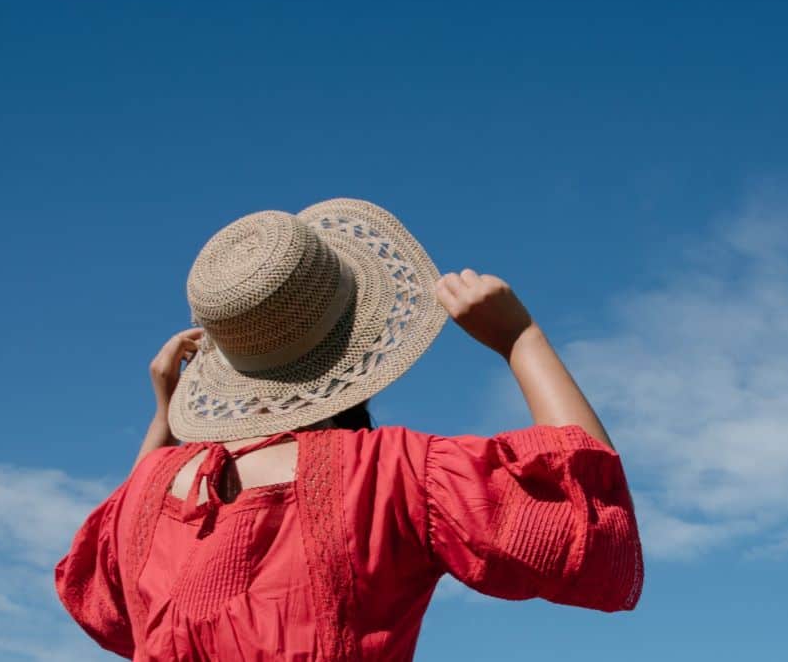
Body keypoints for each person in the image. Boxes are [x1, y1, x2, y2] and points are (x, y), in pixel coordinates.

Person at [54, 198, 643, 660]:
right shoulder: (394, 472)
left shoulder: (149, 494)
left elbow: (109, 595)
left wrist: (165, 420)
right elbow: (592, 526)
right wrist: (520, 340)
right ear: (355, 344)